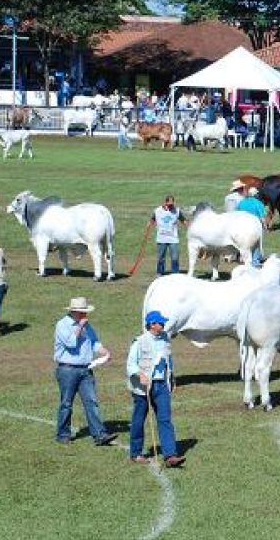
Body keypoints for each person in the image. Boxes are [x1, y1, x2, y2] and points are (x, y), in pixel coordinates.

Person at [53, 297, 117, 446]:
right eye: (82, 312)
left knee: (91, 402)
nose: (84, 315)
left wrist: (104, 351)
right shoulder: (62, 325)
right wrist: (80, 327)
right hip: (67, 369)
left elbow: (94, 342)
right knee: (66, 403)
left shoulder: (87, 326)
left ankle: (99, 434)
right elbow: (70, 343)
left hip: (85, 369)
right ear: (74, 311)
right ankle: (63, 434)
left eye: (85, 312)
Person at [127, 311, 186, 467]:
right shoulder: (139, 342)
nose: (163, 325)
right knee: (139, 420)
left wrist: (172, 378)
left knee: (165, 419)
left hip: (161, 385)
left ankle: (170, 455)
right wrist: (140, 375)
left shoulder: (165, 339)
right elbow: (130, 365)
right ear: (152, 324)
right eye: (161, 322)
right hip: (143, 388)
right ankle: (136, 453)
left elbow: (169, 360)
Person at [150, 195, 187, 276]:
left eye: (172, 204)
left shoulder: (176, 211)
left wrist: (188, 227)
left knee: (174, 257)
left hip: (173, 238)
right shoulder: (158, 210)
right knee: (161, 257)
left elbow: (183, 220)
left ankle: (175, 273)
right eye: (169, 204)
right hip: (161, 238)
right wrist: (150, 225)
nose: (171, 206)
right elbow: (152, 219)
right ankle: (160, 272)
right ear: (165, 202)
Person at [236, 187, 267, 265]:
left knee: (243, 244)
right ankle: (255, 261)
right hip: (255, 227)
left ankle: (243, 259)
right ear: (256, 195)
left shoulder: (241, 202)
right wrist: (265, 226)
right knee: (256, 245)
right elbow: (262, 217)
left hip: (242, 226)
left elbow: (236, 214)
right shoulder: (259, 203)